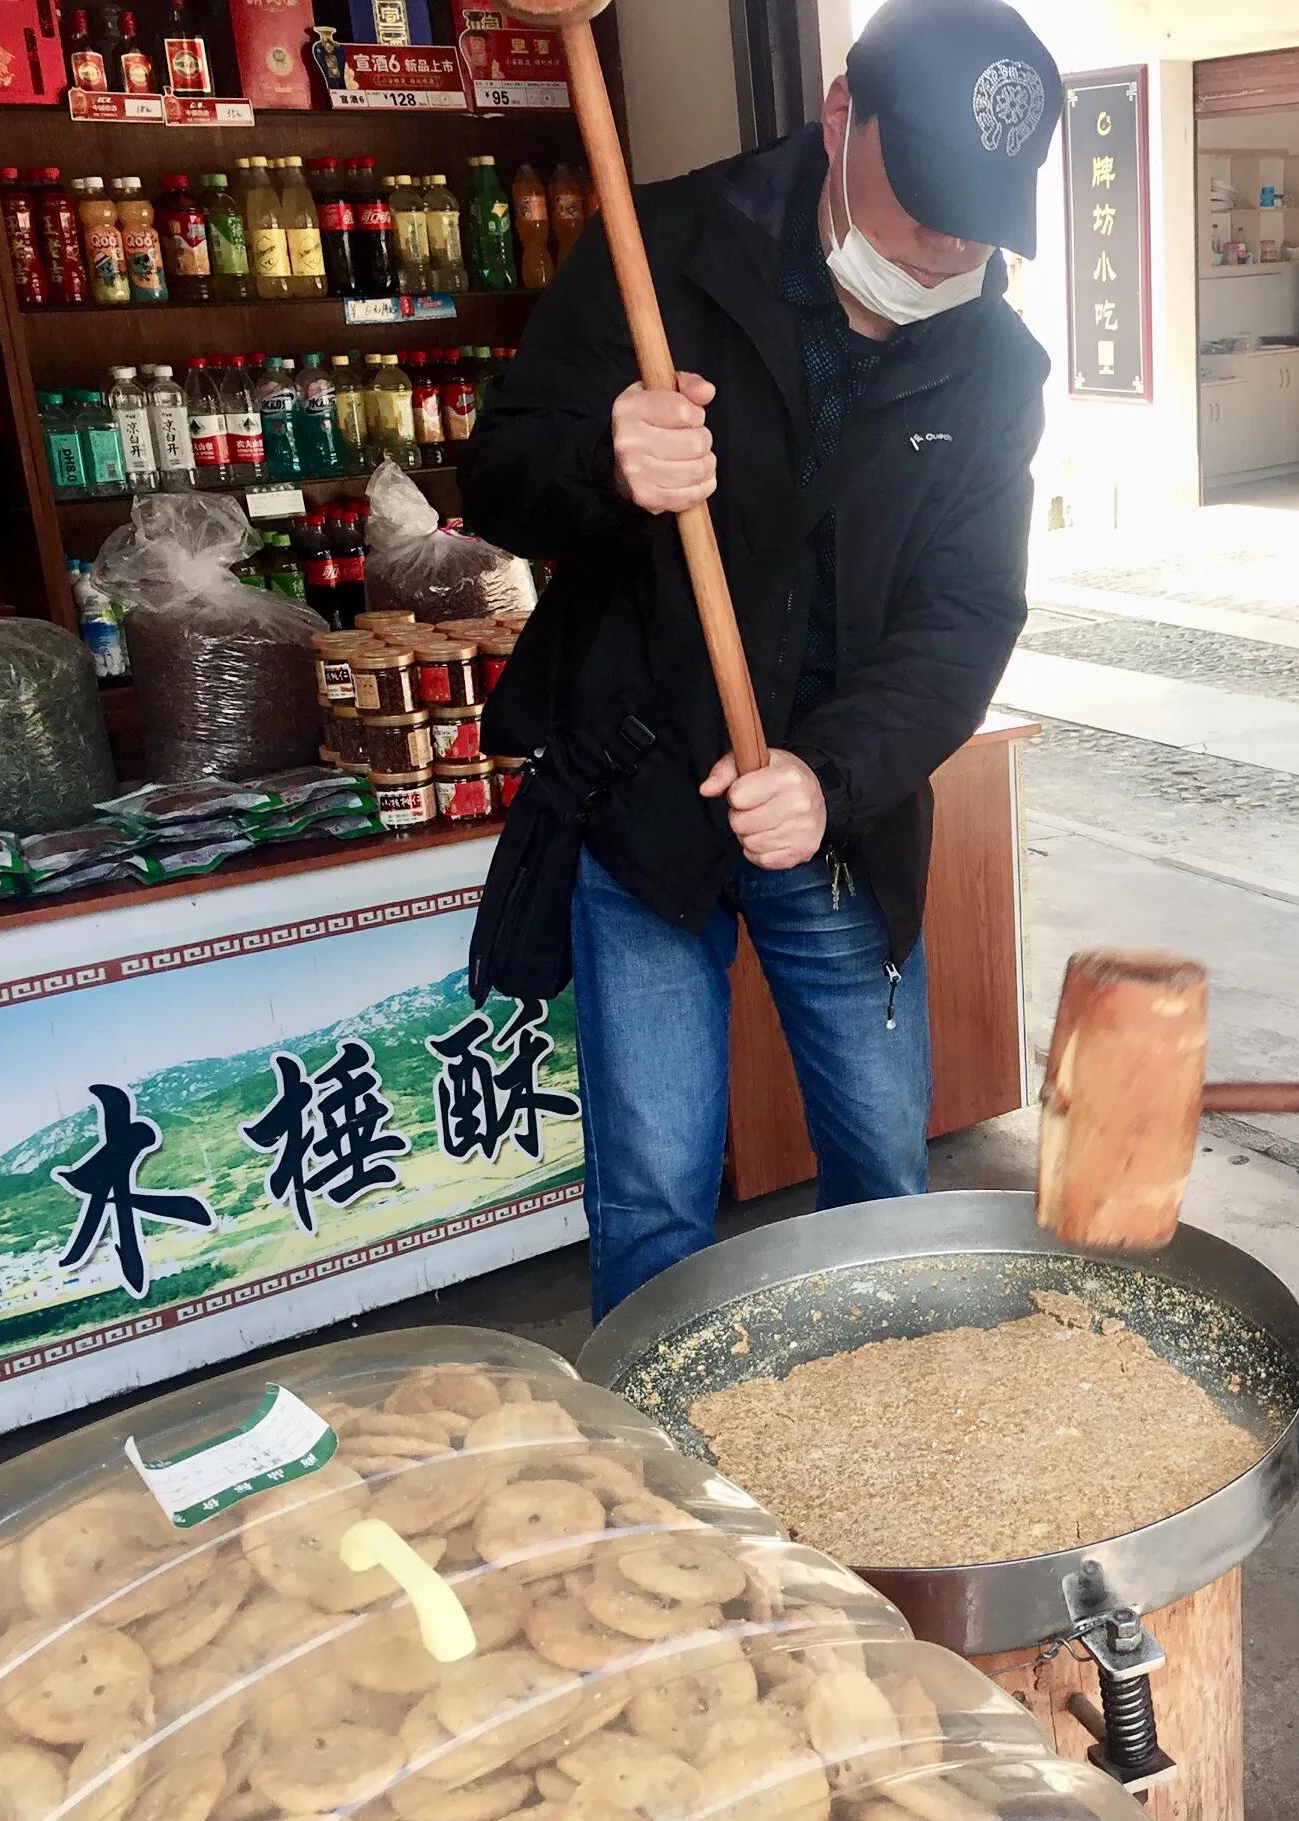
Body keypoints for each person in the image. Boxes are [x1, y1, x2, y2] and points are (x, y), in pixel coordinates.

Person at [461, 0, 1059, 1319]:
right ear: (845, 117)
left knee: (884, 1178)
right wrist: (605, 461)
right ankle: (668, 1496)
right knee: (655, 1192)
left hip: (832, 821)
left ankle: (879, 1462)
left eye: (980, 225)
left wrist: (831, 776)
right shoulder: (664, 247)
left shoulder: (994, 368)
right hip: (642, 796)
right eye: (922, 213)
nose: (947, 252)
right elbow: (498, 471)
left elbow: (965, 620)